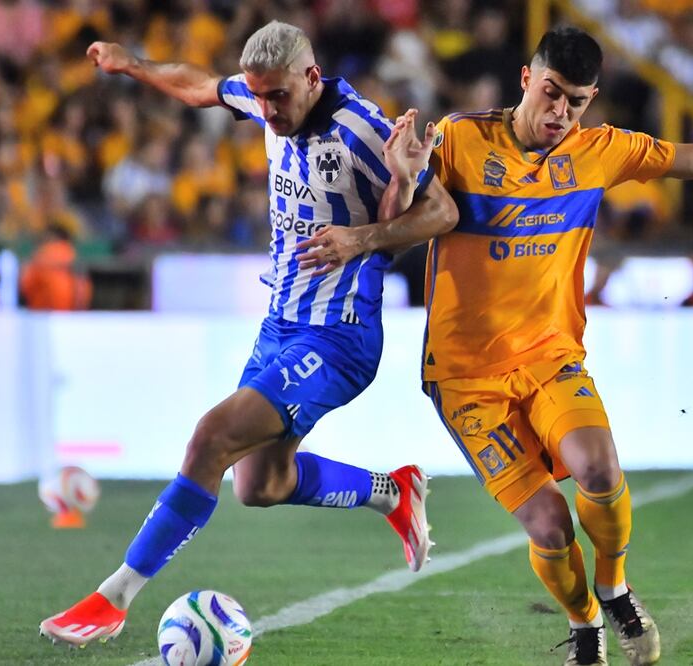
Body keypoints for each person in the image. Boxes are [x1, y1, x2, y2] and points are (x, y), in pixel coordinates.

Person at [297, 27, 693, 666]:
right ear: (527, 79)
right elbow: (402, 223)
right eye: (551, 93)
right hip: (466, 377)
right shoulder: (459, 139)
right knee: (551, 524)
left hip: (551, 356)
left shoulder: (600, 151)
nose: (559, 113)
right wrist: (401, 182)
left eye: (576, 102)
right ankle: (586, 629)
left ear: (591, 101)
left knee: (601, 470)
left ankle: (613, 587)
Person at [40, 20, 457, 647]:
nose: (266, 110)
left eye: (278, 97)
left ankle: (113, 596)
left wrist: (363, 236)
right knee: (259, 485)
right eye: (258, 97)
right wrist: (134, 65)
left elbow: (443, 211)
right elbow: (201, 86)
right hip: (281, 324)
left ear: (311, 77)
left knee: (211, 436)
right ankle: (391, 491)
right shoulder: (264, 99)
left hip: (338, 337)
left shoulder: (364, 130)